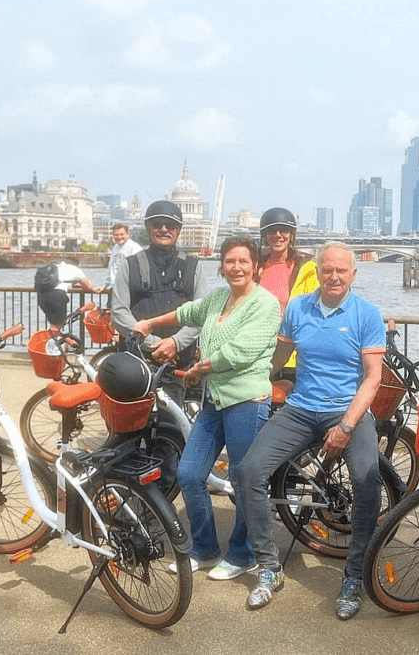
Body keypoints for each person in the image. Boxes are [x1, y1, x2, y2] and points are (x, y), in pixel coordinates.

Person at [235, 241, 385, 620]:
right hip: (301, 408)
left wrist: (347, 425)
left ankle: (354, 575)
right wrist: (252, 381)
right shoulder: (299, 308)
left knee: (368, 482)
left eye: (341, 271)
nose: (333, 276)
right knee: (249, 471)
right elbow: (279, 357)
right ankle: (269, 566)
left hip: (347, 411)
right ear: (317, 271)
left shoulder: (367, 314)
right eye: (327, 270)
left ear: (354, 274)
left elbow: (372, 379)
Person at [134, 237, 280, 581]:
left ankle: (243, 555)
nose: (237, 267)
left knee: (244, 480)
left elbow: (240, 352)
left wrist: (200, 369)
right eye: (230, 261)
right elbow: (187, 313)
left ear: (255, 265)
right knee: (189, 474)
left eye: (244, 261)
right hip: (216, 400)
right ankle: (204, 548)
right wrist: (152, 324)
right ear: (222, 265)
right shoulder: (218, 299)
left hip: (247, 401)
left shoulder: (265, 303)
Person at [110, 199, 212, 372]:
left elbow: (201, 314)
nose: (163, 229)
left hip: (182, 361)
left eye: (170, 225)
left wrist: (176, 343)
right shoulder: (129, 265)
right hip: (138, 360)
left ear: (178, 230)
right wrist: (156, 345)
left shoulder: (194, 267)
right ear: (148, 228)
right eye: (157, 224)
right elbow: (119, 313)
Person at [255, 207, 319, 378]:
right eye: (271, 231)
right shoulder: (254, 267)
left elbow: (314, 308)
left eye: (283, 230)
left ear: (291, 235)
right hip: (257, 352)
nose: (277, 235)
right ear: (265, 236)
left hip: (294, 355)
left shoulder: (306, 267)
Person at [36, 261, 103, 332]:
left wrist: (72, 285)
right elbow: (88, 287)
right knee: (57, 326)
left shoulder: (56, 268)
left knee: (54, 324)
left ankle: (50, 340)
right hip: (57, 296)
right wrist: (93, 289)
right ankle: (54, 341)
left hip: (42, 295)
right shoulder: (75, 270)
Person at [104, 223, 142, 291]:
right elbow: (110, 268)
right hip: (114, 288)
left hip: (128, 289)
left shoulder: (135, 248)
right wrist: (104, 286)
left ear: (127, 234)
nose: (119, 237)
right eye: (116, 235)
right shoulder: (115, 248)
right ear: (113, 235)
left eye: (121, 234)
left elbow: (140, 270)